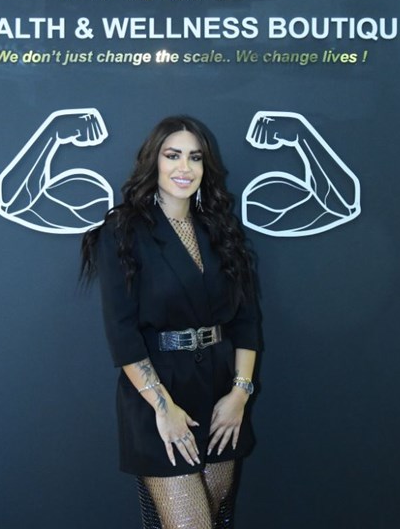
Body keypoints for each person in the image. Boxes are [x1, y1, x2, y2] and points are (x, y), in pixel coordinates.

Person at [81, 115, 260, 529]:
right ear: (153, 161)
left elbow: (247, 321)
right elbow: (122, 332)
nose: (185, 167)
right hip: (157, 398)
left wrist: (239, 394)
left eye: (195, 158)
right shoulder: (123, 231)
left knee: (216, 519)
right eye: (173, 155)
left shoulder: (221, 230)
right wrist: (164, 409)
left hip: (221, 397)